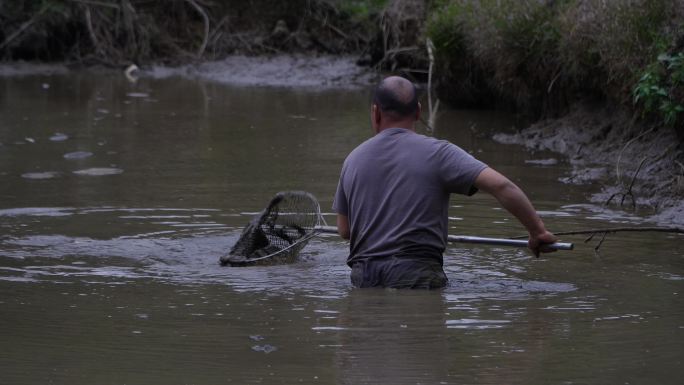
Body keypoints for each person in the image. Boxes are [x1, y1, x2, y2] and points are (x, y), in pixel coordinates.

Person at [332, 76, 558, 289]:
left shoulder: (353, 159)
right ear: (419, 112)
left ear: (375, 112)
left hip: (363, 277)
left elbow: (345, 230)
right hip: (416, 274)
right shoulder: (439, 153)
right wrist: (537, 232)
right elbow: (502, 187)